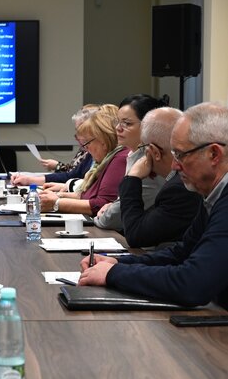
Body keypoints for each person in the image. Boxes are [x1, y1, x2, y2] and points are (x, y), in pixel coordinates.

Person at [79, 102, 228, 308]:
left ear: (214, 154)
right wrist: (118, 263)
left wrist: (114, 274)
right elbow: (181, 253)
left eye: (180, 155)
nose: (174, 165)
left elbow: (193, 284)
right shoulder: (212, 194)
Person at [117, 107, 202, 248]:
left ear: (154, 152)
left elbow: (136, 235)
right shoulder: (182, 181)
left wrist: (132, 178)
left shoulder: (180, 187)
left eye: (143, 147)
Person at [94, 94, 169, 230]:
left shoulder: (149, 160)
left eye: (127, 123)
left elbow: (113, 219)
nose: (118, 128)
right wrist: (112, 206)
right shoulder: (133, 153)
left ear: (148, 126)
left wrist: (101, 216)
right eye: (118, 122)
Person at [38, 110, 129, 216]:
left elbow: (101, 204)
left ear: (103, 142)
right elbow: (87, 196)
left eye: (86, 143)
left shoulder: (119, 159)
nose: (86, 149)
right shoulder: (105, 161)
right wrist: (57, 196)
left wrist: (56, 203)